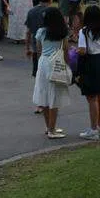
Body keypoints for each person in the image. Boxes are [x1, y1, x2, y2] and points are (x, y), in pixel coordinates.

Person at [32, 7, 70, 139]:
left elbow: (38, 50)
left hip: (43, 62)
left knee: (44, 95)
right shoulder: (62, 32)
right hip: (56, 63)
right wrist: (67, 66)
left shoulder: (41, 31)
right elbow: (65, 50)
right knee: (54, 97)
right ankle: (52, 130)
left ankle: (49, 127)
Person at [76, 5, 100, 140]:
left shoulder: (84, 32)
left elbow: (83, 50)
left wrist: (75, 51)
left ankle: (93, 129)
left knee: (92, 98)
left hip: (90, 62)